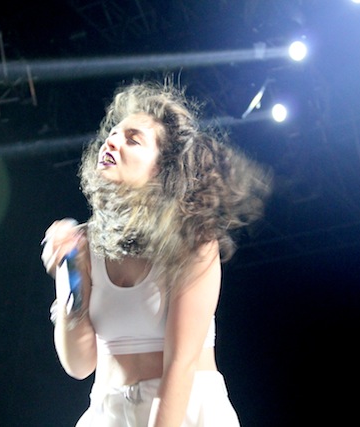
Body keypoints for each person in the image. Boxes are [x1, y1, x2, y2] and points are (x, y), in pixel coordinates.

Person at [41, 80, 271, 426]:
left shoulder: (194, 240)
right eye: (112, 135)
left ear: (163, 168)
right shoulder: (84, 244)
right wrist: (69, 274)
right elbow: (78, 365)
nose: (111, 142)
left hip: (184, 410)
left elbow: (180, 364)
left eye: (133, 139)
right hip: (107, 412)